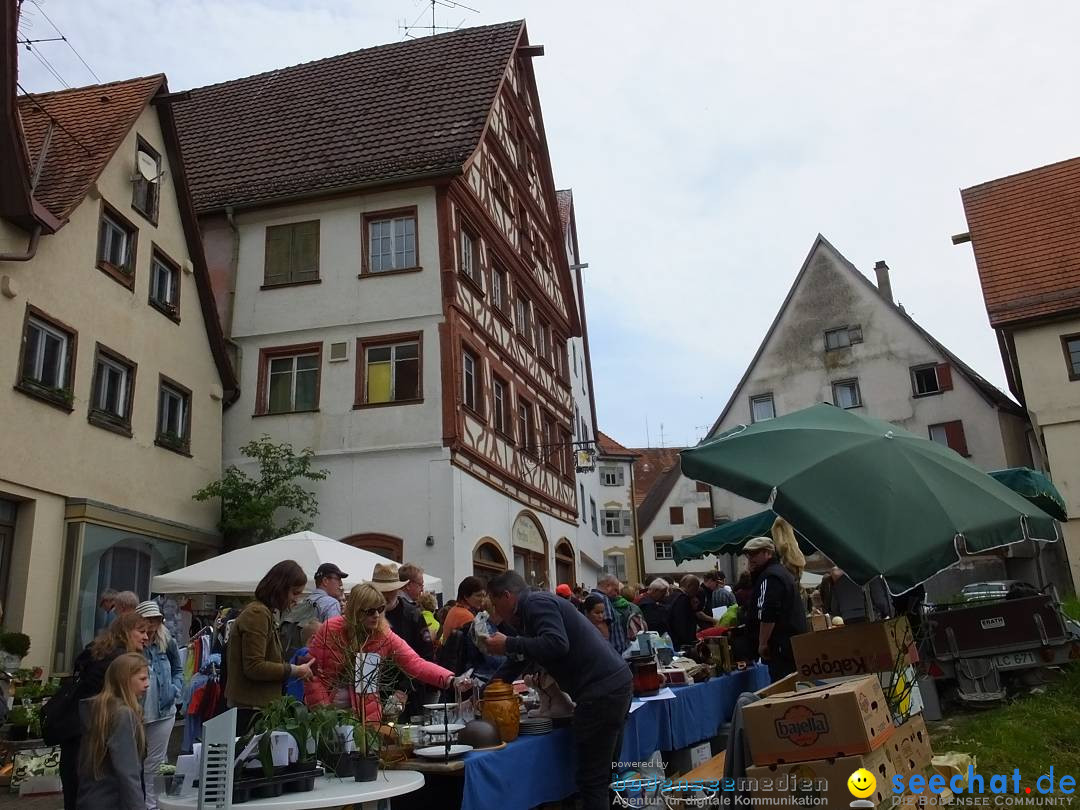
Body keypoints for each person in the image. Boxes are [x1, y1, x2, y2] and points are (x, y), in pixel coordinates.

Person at [486, 572, 633, 810]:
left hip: (601, 692)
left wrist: (508, 644)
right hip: (613, 685)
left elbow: (556, 643)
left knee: (592, 781)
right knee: (606, 774)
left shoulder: (535, 603)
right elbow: (522, 657)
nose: (495, 611)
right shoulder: (531, 608)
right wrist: (490, 689)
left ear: (507, 596)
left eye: (495, 604)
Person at [305, 584, 471, 719]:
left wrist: (450, 680)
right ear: (356, 611)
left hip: (365, 717)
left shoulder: (384, 634)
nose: (377, 615)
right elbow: (312, 675)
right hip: (328, 715)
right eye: (370, 611)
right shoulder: (329, 630)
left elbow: (415, 663)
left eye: (380, 609)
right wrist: (324, 714)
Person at [60, 613, 150, 810]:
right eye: (141, 631)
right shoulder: (120, 706)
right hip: (110, 795)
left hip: (90, 790)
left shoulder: (100, 656)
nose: (146, 637)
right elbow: (127, 771)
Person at [226, 560, 315, 734]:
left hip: (254, 708)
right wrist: (295, 670)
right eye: (294, 593)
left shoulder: (262, 613)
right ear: (280, 588)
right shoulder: (258, 614)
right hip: (251, 710)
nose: (296, 600)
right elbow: (254, 667)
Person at [77, 652, 150, 810]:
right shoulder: (123, 714)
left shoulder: (99, 710)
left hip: (91, 798)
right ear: (125, 680)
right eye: (143, 679)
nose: (147, 684)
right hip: (113, 801)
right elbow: (127, 771)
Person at [368, 563, 434, 715]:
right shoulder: (365, 615)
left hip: (410, 695)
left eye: (390, 590)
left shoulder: (412, 615)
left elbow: (425, 656)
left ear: (398, 589)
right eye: (382, 591)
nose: (386, 595)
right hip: (374, 692)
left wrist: (404, 689)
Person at [135, 601, 182, 810]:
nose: (153, 624)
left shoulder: (167, 640)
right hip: (138, 712)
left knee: (153, 763)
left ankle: (150, 805)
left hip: (164, 710)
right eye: (148, 619)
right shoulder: (134, 644)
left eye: (156, 619)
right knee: (133, 762)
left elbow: (178, 668)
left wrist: (175, 689)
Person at [743, 537, 807, 682]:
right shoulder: (781, 572)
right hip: (791, 644)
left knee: (783, 687)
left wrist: (762, 643)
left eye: (754, 554)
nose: (750, 558)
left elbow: (768, 613)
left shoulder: (771, 576)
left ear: (768, 553)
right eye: (748, 555)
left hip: (781, 646)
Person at [590, 574, 627, 654]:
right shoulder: (603, 599)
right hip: (613, 653)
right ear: (608, 586)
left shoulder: (591, 597)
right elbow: (602, 625)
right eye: (615, 590)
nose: (617, 594)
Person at [665, 574, 703, 649]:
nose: (695, 593)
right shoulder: (683, 599)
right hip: (681, 644)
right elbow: (682, 623)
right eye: (695, 589)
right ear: (689, 586)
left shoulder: (670, 596)